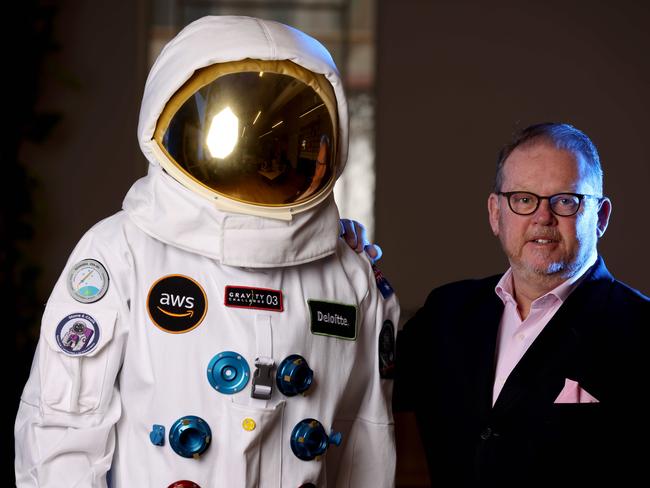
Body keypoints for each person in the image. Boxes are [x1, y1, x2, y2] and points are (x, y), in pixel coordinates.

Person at [14, 16, 399, 487]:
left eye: (278, 142)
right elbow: (63, 431)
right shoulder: (122, 251)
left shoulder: (349, 274)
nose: (259, 155)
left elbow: (364, 441)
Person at [392, 122, 649, 486]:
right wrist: (343, 261)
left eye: (565, 200)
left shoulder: (641, 329)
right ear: (496, 213)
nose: (542, 217)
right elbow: (358, 379)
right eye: (524, 200)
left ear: (601, 217)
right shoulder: (446, 314)